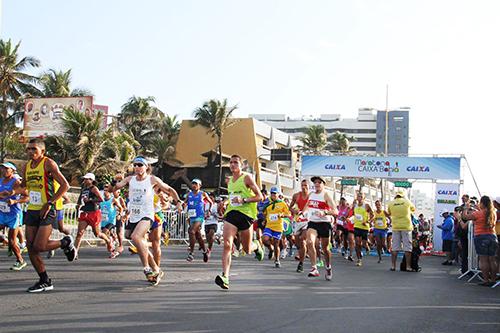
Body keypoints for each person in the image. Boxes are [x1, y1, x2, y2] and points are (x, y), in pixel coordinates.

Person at [15, 138, 75, 292]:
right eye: (28, 149)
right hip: (32, 209)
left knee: (40, 246)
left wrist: (50, 203)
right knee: (30, 247)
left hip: (47, 209)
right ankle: (44, 280)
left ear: (42, 151)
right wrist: (12, 191)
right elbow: (24, 187)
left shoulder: (48, 163)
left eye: (34, 149)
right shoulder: (27, 166)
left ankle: (65, 242)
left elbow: (65, 185)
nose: (30, 152)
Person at [113, 156, 182, 285]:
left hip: (148, 214)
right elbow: (116, 188)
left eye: (140, 165)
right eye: (135, 165)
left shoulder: (152, 179)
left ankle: (147, 268)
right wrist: (114, 182)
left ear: (146, 167)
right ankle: (157, 269)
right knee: (136, 240)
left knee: (136, 237)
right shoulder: (130, 179)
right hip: (133, 215)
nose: (137, 167)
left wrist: (178, 202)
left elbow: (169, 189)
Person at [215, 154, 264, 290]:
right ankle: (225, 276)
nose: (232, 165)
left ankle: (257, 246)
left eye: (236, 162)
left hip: (246, 215)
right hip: (232, 214)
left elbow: (260, 196)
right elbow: (232, 197)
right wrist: (224, 203)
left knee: (247, 249)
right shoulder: (230, 181)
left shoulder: (246, 178)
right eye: (231, 163)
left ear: (241, 165)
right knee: (227, 245)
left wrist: (244, 200)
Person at [302, 176, 337, 280]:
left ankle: (328, 267)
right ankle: (314, 268)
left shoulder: (326, 195)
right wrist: (302, 213)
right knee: (309, 242)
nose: (317, 184)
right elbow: (307, 207)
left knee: (325, 249)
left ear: (323, 184)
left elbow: (335, 211)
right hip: (313, 222)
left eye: (319, 182)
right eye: (315, 182)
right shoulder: (311, 194)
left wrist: (325, 212)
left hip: (324, 223)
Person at [74, 173, 115, 258]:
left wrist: (90, 200)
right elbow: (80, 199)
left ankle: (108, 240)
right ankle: (75, 252)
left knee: (97, 234)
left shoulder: (94, 188)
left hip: (94, 212)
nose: (85, 181)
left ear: (92, 180)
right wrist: (78, 205)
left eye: (87, 179)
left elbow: (101, 199)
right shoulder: (83, 189)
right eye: (84, 179)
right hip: (85, 212)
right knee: (79, 233)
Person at [462, 196, 498, 286]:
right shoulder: (493, 213)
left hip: (481, 236)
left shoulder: (478, 214)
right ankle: (493, 279)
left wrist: (466, 208)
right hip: (492, 236)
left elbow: (465, 217)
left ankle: (486, 280)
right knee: (492, 260)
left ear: (482, 203)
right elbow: (484, 212)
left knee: (483, 260)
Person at [0, 162, 29, 270]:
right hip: (2, 213)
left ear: (12, 171)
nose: (3, 171)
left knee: (12, 241)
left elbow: (27, 197)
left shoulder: (16, 182)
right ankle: (5, 240)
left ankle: (20, 261)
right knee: (10, 241)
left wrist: (15, 201)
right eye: (2, 168)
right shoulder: (0, 181)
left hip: (13, 214)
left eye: (6, 169)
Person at [261, 186, 290, 268]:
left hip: (278, 226)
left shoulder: (282, 203)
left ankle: (277, 260)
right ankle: (271, 249)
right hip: (269, 226)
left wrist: (282, 215)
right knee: (264, 239)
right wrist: (264, 220)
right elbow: (265, 213)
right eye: (272, 193)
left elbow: (288, 214)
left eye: (275, 193)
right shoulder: (268, 203)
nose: (273, 195)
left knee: (276, 242)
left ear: (278, 194)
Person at [387, 189, 415, 272]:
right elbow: (413, 209)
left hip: (395, 227)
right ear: (403, 195)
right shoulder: (407, 202)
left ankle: (393, 266)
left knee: (395, 247)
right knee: (407, 248)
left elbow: (389, 213)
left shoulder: (391, 203)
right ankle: (408, 266)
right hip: (406, 227)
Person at [185, 178, 212, 262]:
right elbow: (184, 202)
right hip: (191, 216)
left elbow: (210, 202)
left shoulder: (202, 194)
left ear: (200, 186)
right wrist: (181, 207)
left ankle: (191, 253)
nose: (194, 185)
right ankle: (204, 251)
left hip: (199, 216)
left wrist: (208, 211)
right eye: (193, 183)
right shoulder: (189, 194)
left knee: (191, 231)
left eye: (196, 184)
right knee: (198, 235)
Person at [289, 179, 310, 272]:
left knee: (302, 240)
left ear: (309, 186)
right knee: (297, 243)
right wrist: (294, 210)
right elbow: (290, 207)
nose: (304, 187)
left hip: (308, 221)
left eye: (305, 185)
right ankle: (302, 253)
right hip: (298, 221)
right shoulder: (296, 195)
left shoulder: (312, 196)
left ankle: (301, 263)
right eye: (302, 185)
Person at [100, 184, 123, 258]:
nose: (105, 192)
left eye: (107, 191)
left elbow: (121, 208)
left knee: (104, 232)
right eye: (104, 191)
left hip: (111, 220)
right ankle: (112, 244)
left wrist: (119, 214)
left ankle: (112, 241)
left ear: (110, 192)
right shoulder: (101, 199)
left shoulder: (113, 200)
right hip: (103, 220)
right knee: (104, 235)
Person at [352, 192, 374, 267]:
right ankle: (359, 259)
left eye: (361, 196)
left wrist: (368, 221)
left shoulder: (366, 205)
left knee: (363, 244)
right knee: (357, 243)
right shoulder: (354, 205)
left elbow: (372, 215)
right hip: (356, 226)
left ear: (363, 198)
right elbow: (352, 214)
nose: (359, 198)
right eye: (358, 196)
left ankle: (367, 246)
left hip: (364, 227)